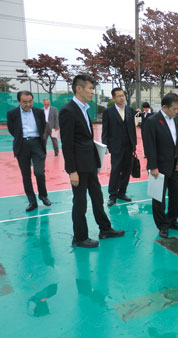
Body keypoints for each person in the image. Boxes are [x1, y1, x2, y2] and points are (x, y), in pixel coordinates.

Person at [59, 75, 124, 248]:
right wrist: (72, 170)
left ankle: (105, 229)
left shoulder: (83, 109)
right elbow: (67, 143)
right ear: (78, 88)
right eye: (89, 88)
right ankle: (80, 237)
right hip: (78, 167)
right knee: (80, 202)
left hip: (89, 164)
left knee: (97, 197)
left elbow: (85, 139)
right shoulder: (68, 110)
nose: (92, 91)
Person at [143, 93, 178, 238]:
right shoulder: (153, 121)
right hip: (159, 167)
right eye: (174, 109)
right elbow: (149, 145)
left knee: (176, 196)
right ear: (164, 107)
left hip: (175, 165)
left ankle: (172, 220)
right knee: (158, 198)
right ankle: (162, 225)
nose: (177, 111)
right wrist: (153, 166)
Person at [7, 91, 51, 211]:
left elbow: (43, 126)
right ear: (19, 102)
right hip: (22, 145)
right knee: (26, 175)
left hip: (37, 143)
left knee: (39, 172)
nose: (28, 104)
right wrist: (22, 138)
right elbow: (12, 130)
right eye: (25, 102)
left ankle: (43, 195)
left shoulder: (39, 112)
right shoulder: (12, 114)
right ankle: (32, 201)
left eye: (30, 101)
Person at [101, 88, 137, 206]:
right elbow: (105, 129)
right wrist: (105, 144)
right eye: (118, 96)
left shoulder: (130, 110)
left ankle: (122, 192)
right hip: (115, 146)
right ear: (113, 98)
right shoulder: (108, 112)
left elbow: (132, 128)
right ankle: (112, 195)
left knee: (127, 170)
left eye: (122, 95)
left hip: (129, 146)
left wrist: (134, 144)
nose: (121, 98)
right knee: (115, 170)